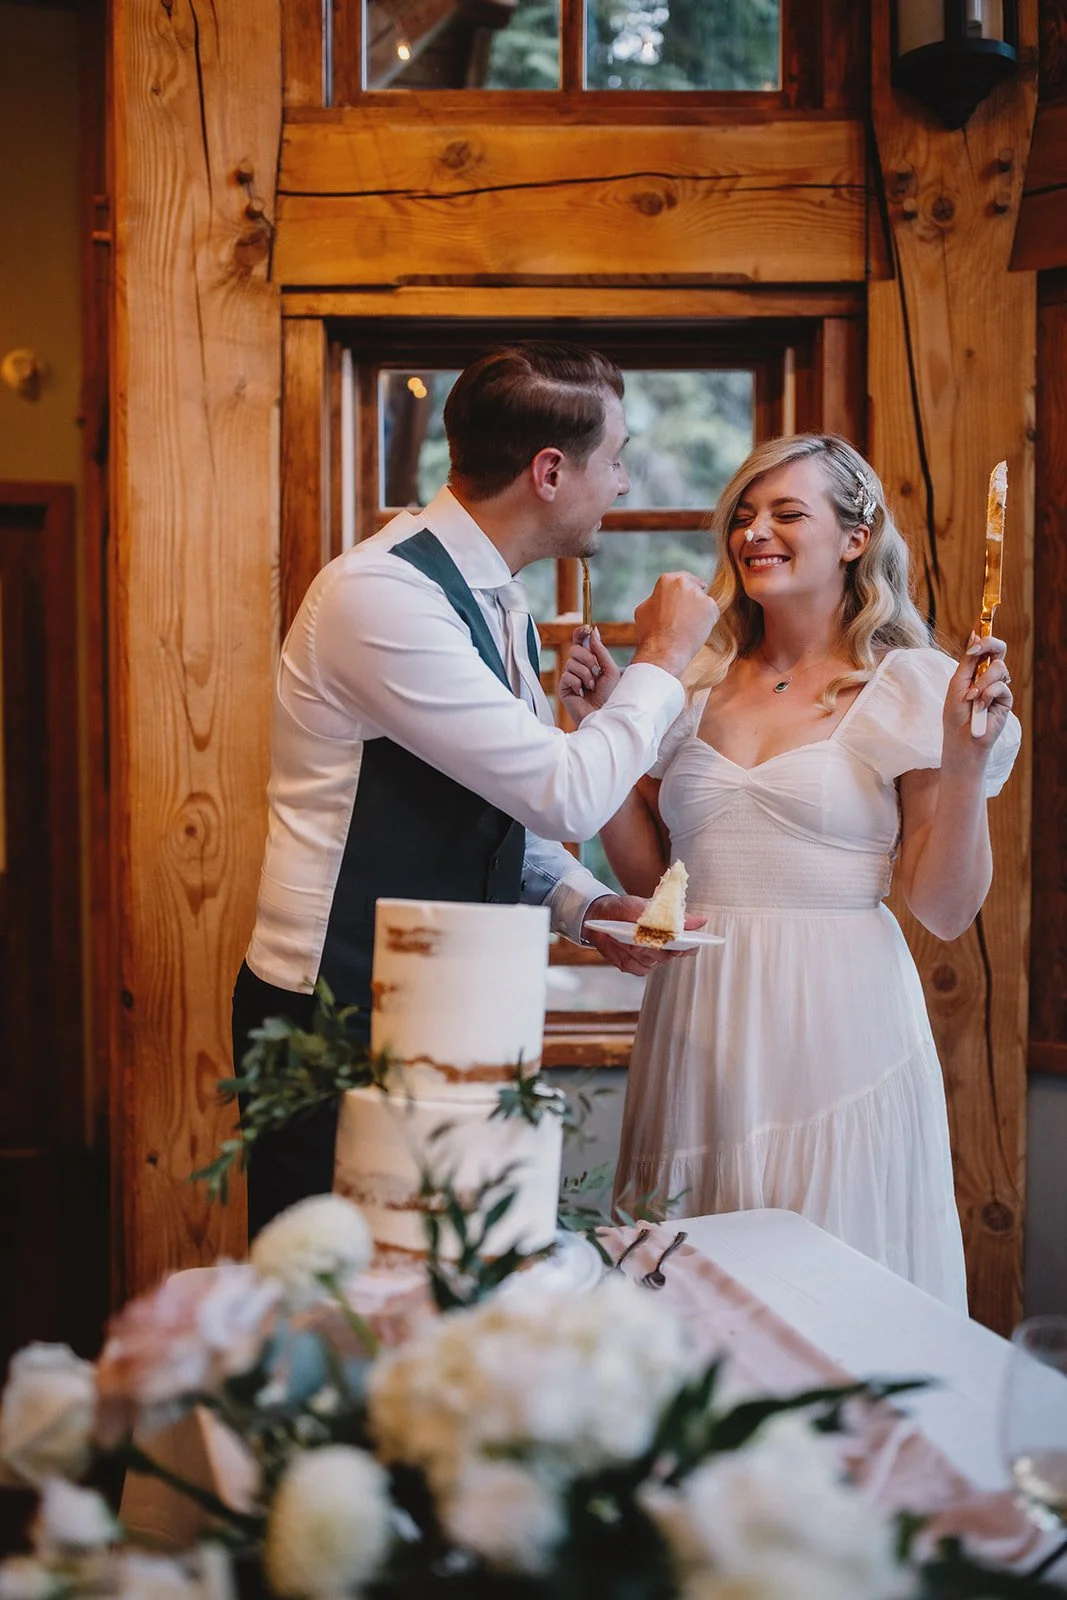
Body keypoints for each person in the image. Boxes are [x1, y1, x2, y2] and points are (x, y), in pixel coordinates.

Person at [233, 340, 718, 1237]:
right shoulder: (381, 596)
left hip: (454, 994)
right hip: (342, 1007)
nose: (620, 484)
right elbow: (566, 794)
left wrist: (588, 908)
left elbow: (504, 812)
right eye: (613, 460)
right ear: (549, 471)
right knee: (339, 1283)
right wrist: (664, 655)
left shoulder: (497, 600)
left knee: (453, 1272)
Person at [559, 432, 1020, 1309]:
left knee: (831, 1275)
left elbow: (944, 909)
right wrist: (596, 730)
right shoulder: (692, 687)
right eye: (742, 515)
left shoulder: (909, 686)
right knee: (690, 1282)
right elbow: (654, 886)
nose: (754, 532)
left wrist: (962, 764)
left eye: (785, 513)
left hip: (837, 1019)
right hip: (697, 1015)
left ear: (853, 538)